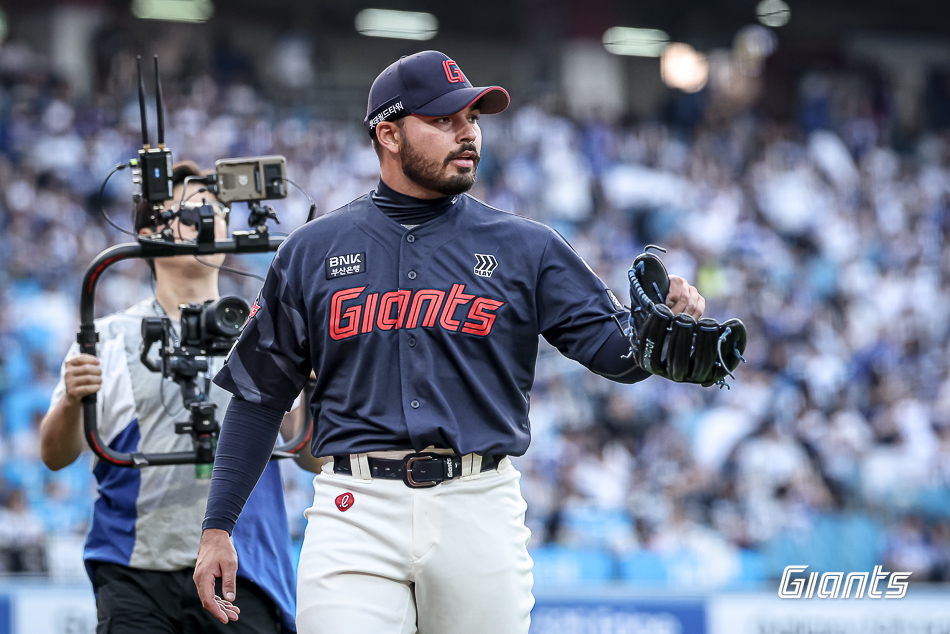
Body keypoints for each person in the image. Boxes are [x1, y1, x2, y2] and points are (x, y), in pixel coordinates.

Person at [194, 51, 706, 633]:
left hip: (478, 504)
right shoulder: (310, 251)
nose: (468, 133)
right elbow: (259, 397)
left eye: (474, 119)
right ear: (387, 133)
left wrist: (657, 334)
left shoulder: (526, 246)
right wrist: (218, 527)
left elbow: (614, 353)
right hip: (354, 508)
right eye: (444, 120)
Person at [41, 160, 315, 634]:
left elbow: (310, 457)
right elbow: (54, 454)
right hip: (135, 570)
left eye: (215, 210)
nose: (208, 222)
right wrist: (71, 398)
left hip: (244, 568)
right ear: (150, 230)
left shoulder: (270, 328)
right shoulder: (107, 336)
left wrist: (311, 384)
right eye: (192, 211)